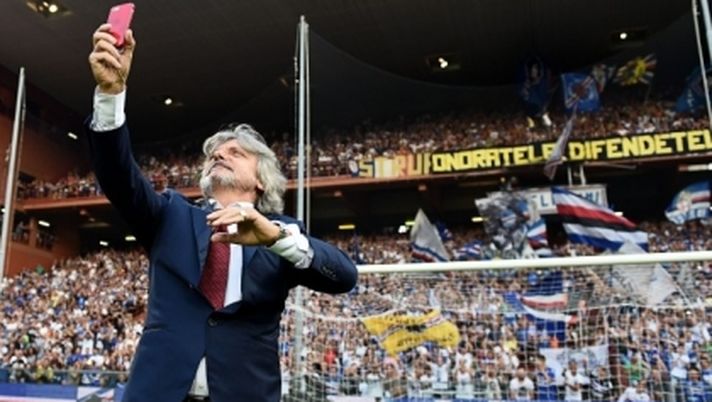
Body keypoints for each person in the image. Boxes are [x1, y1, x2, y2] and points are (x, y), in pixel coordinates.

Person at [86, 23, 358, 402]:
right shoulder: (171, 215)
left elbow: (344, 277)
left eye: (236, 153)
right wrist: (111, 94)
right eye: (215, 153)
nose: (219, 155)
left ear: (261, 180)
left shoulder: (281, 233)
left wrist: (276, 239)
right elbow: (118, 178)